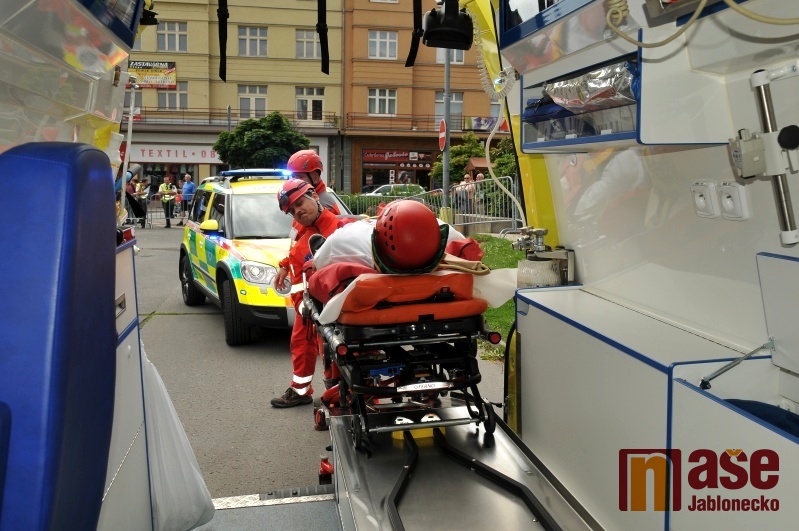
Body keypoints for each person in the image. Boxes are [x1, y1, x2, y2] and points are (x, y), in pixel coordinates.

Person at [271, 179, 341, 408]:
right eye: (292, 210)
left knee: (335, 348)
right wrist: (284, 266)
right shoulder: (303, 237)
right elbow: (296, 260)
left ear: (315, 196)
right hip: (312, 304)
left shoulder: (342, 228)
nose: (297, 212)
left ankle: (343, 394)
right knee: (302, 343)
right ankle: (301, 391)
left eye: (300, 203)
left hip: (341, 304)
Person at [286, 149, 340, 215]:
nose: (295, 181)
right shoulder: (308, 199)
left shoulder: (322, 207)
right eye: (293, 176)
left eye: (300, 177)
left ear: (315, 178)